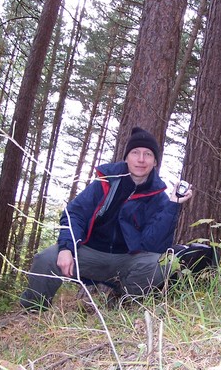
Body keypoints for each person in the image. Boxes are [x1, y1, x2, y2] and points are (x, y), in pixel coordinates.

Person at [20, 126, 193, 311]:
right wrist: (66, 247)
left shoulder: (159, 198)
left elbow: (154, 247)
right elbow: (75, 214)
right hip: (89, 253)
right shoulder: (105, 182)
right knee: (47, 258)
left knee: (160, 265)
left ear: (155, 161)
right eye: (135, 152)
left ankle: (122, 302)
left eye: (148, 154)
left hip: (126, 260)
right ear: (126, 157)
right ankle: (32, 311)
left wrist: (173, 204)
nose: (141, 159)